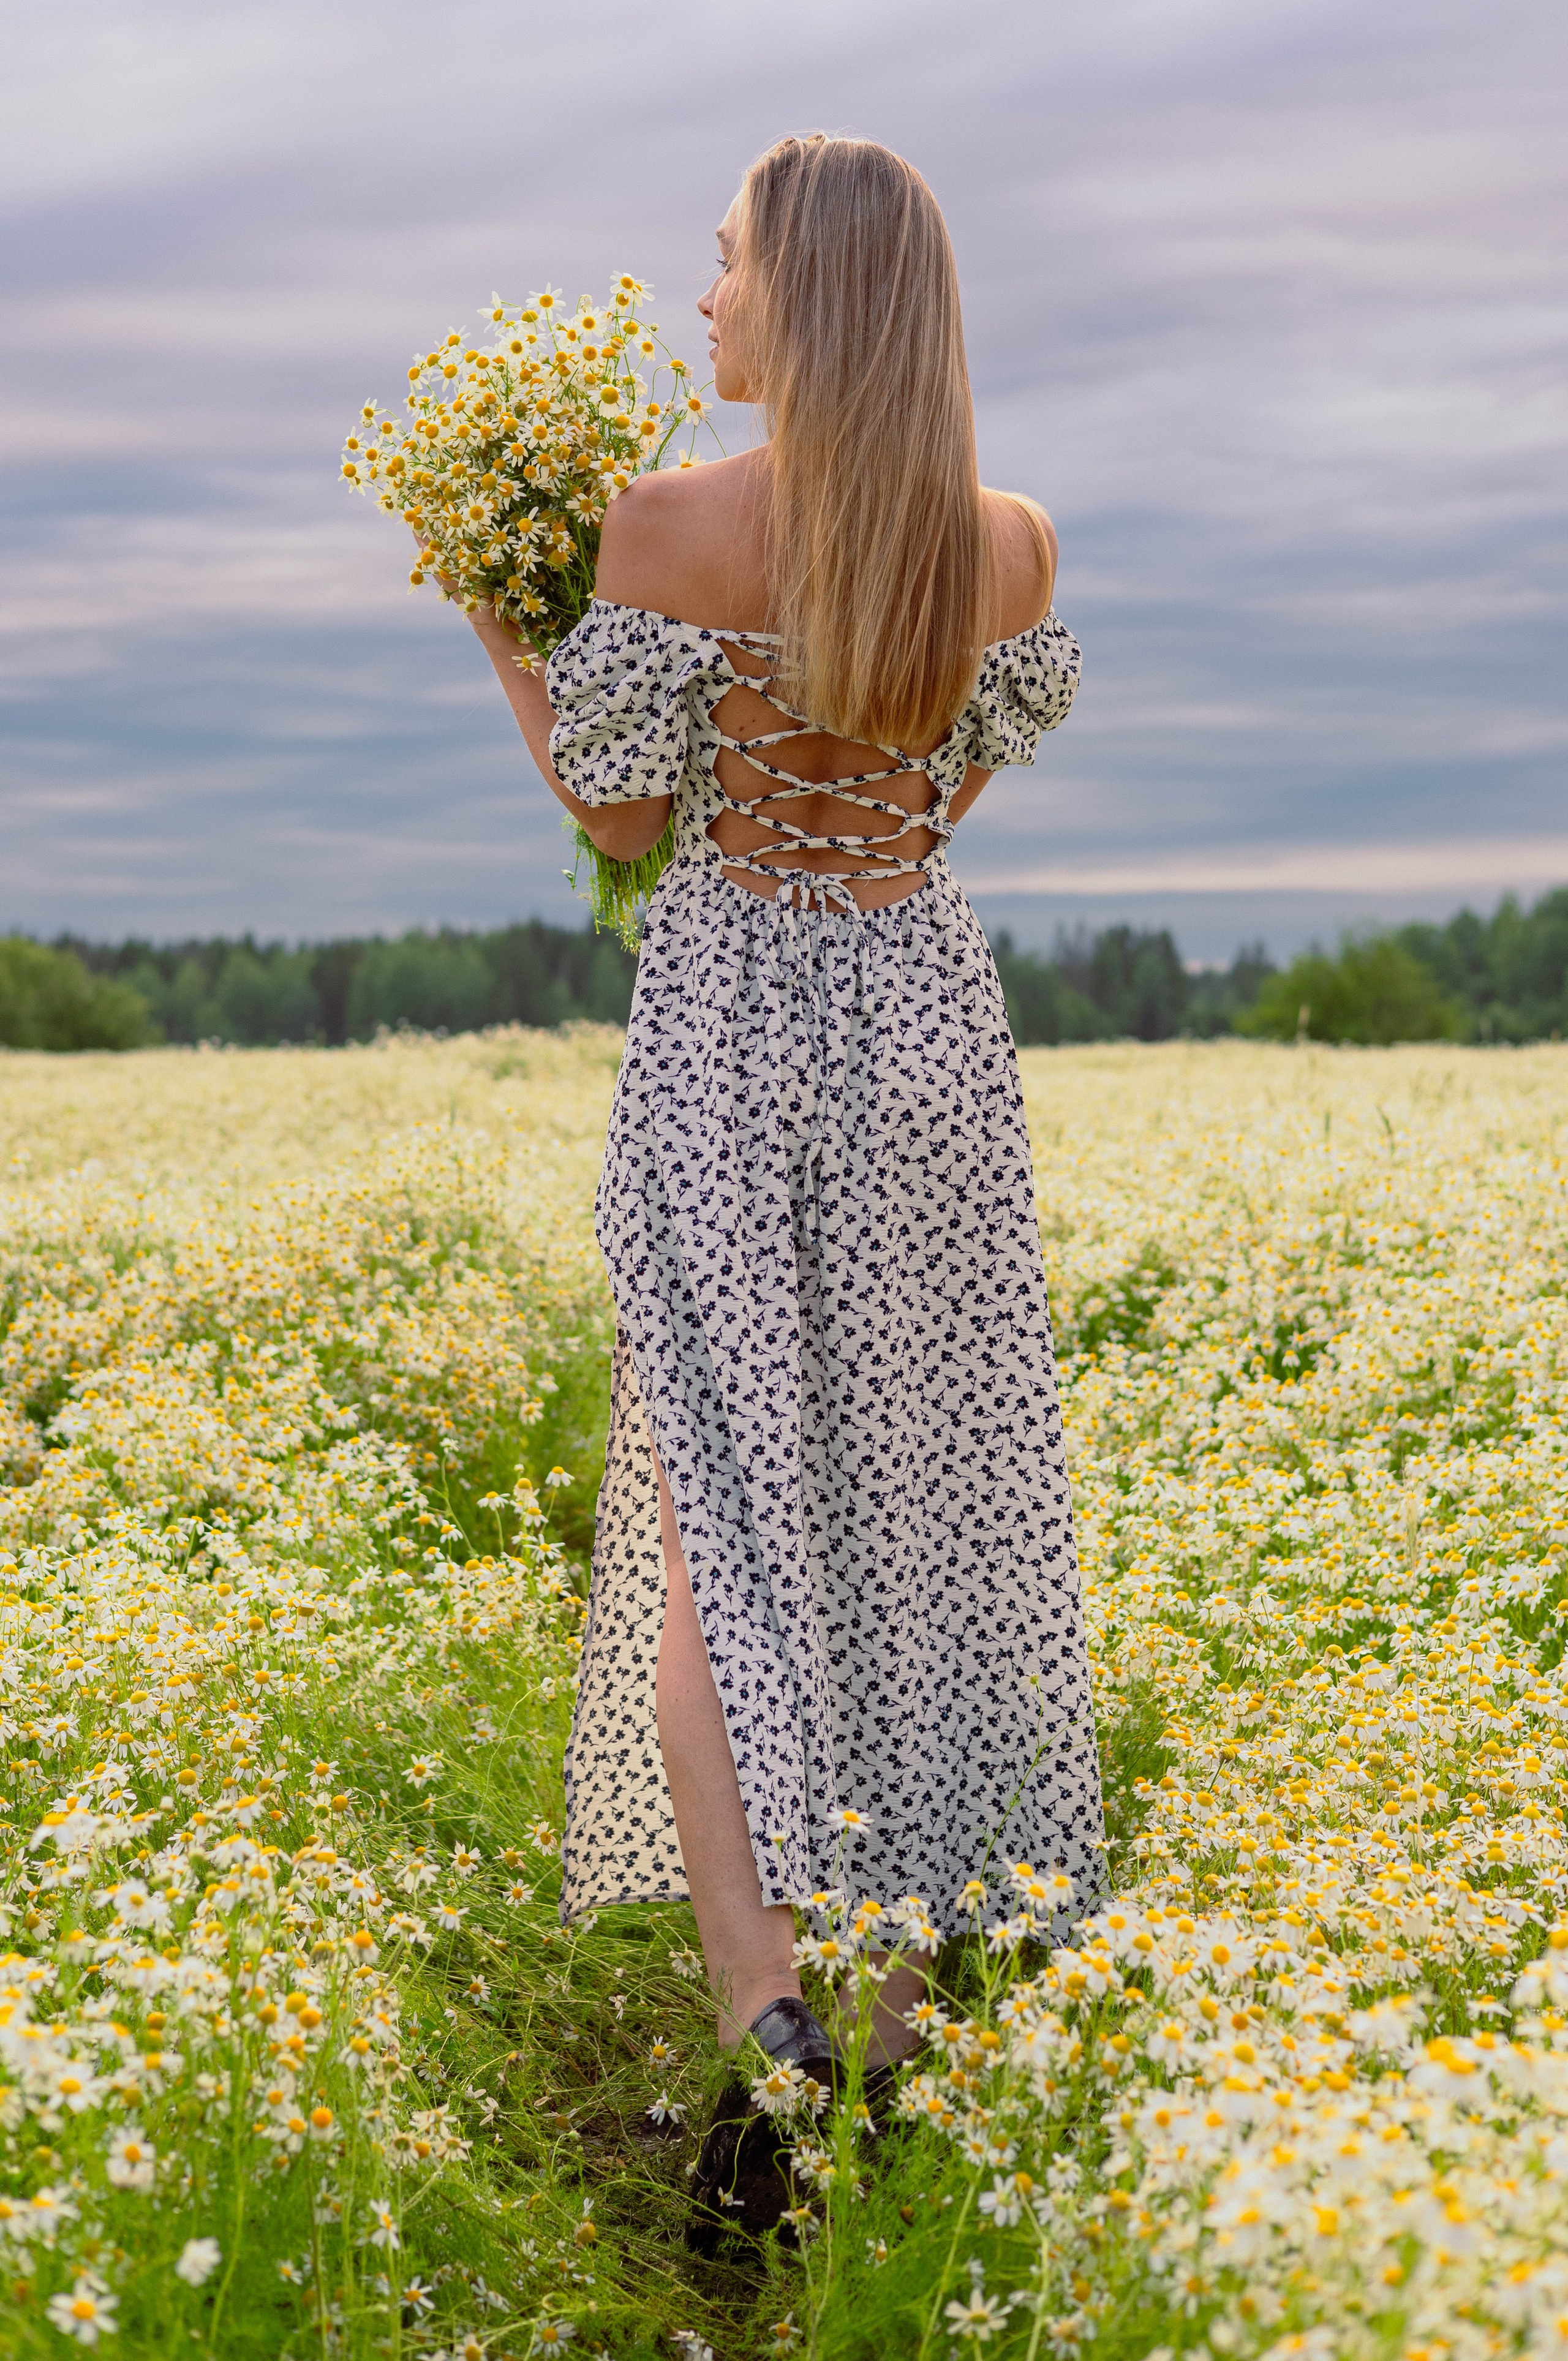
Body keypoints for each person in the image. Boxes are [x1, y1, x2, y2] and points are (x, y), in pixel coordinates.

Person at [464, 129, 1104, 2179]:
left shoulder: (662, 530)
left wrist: (510, 629)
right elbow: (941, 808)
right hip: (922, 1030)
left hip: (734, 1034)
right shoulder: (1008, 548)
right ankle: (899, 2034)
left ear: (808, 297)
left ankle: (770, 2043)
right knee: (917, 1540)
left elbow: (630, 825)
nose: (706, 298)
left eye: (727, 263)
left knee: (713, 1553)